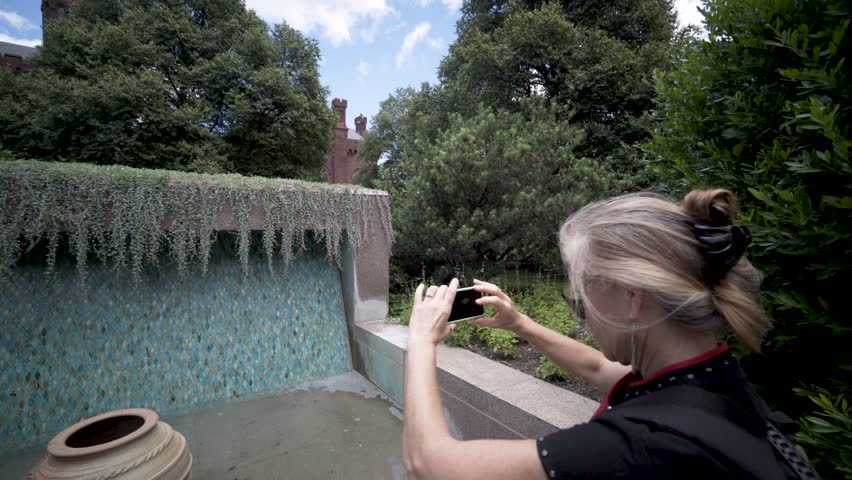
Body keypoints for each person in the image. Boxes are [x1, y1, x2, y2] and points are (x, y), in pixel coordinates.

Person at [402, 189, 818, 479]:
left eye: (582, 300)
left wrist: (421, 341)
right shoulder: (712, 381)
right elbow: (600, 366)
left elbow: (430, 463)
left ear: (632, 299)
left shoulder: (643, 446)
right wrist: (520, 324)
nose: (584, 316)